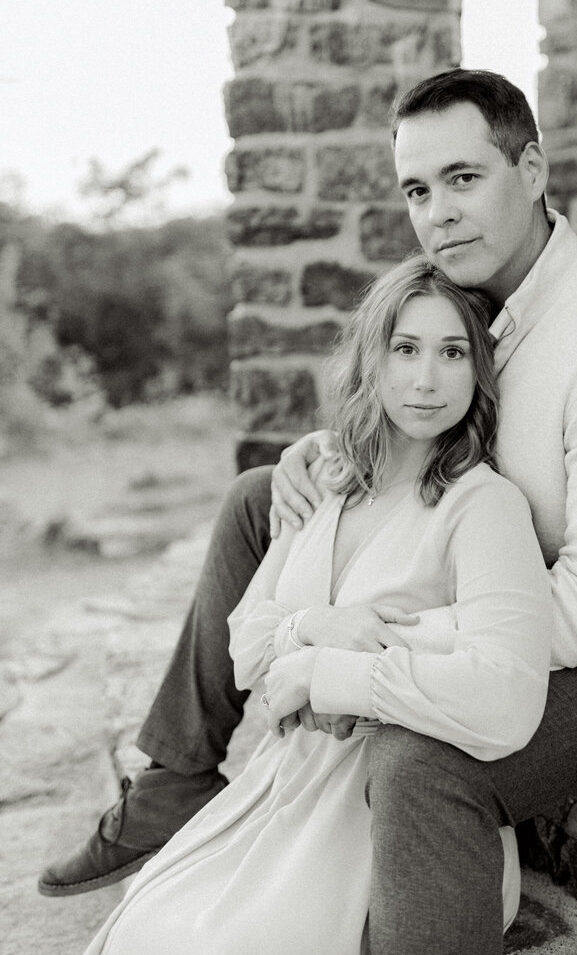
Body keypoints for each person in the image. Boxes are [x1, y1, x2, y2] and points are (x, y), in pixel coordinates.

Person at [41, 68, 577, 955]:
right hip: (489, 573)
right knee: (263, 499)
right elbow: (421, 404)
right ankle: (179, 778)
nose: (439, 212)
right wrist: (331, 456)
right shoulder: (481, 293)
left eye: (463, 178)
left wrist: (376, 641)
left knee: (422, 757)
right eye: (418, 188)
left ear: (532, 171)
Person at [81, 254, 552, 953]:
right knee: (147, 926)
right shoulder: (331, 482)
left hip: (372, 810)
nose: (427, 379)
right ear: (373, 360)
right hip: (282, 783)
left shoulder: (483, 505)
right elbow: (247, 646)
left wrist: (324, 668)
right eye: (406, 349)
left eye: (453, 352)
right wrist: (315, 626)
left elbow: (507, 695)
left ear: (478, 370)